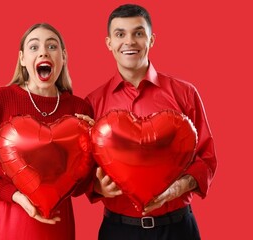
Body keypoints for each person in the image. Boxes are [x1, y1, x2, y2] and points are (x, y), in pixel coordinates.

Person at [84, 4, 217, 240]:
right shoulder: (92, 103)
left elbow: (206, 158)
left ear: (151, 39)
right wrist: (96, 187)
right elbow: (81, 169)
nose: (129, 42)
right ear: (108, 43)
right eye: (120, 34)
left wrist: (178, 188)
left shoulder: (185, 93)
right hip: (118, 230)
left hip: (177, 228)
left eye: (138, 33)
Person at [0, 23, 93, 240]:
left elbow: (81, 186)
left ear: (63, 56)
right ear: (23, 59)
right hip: (9, 222)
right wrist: (16, 196)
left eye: (51, 46)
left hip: (59, 225)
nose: (43, 51)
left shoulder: (79, 110)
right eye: (34, 47)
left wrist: (94, 141)